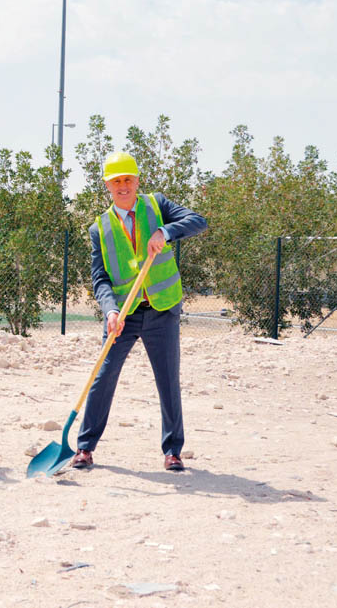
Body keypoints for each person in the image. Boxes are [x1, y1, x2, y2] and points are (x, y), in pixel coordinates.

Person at [73, 151, 208, 471]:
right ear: (108, 185)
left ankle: (173, 450)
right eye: (116, 181)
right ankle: (84, 447)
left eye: (128, 180)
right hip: (124, 315)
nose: (123, 186)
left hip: (162, 309)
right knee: (103, 377)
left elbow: (197, 221)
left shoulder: (156, 205)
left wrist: (166, 231)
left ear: (137, 180)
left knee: (167, 379)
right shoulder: (99, 228)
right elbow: (100, 278)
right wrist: (110, 312)